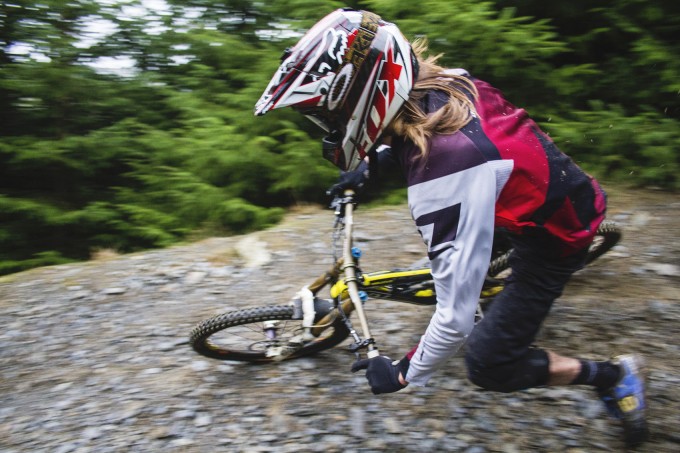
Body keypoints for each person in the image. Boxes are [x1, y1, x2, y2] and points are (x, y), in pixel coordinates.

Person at [254, 8, 648, 447]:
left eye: (328, 115)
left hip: (556, 232)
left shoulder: (445, 177)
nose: (327, 128)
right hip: (546, 185)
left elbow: (455, 320)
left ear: (364, 94)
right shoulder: (448, 80)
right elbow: (422, 130)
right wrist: (370, 167)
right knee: (456, 259)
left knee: (488, 364)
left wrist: (403, 373)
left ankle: (613, 375)